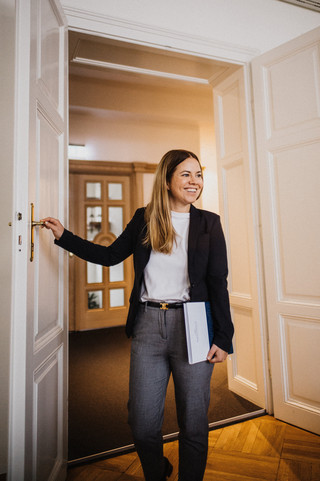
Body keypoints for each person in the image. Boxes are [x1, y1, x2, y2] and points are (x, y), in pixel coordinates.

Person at [43, 149, 234, 481]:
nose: (194, 182)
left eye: (198, 175)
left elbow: (219, 283)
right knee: (142, 423)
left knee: (193, 423)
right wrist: (65, 236)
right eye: (185, 174)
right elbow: (109, 256)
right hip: (148, 325)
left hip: (194, 326)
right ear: (167, 179)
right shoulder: (144, 217)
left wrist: (224, 337)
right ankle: (156, 472)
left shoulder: (209, 223)